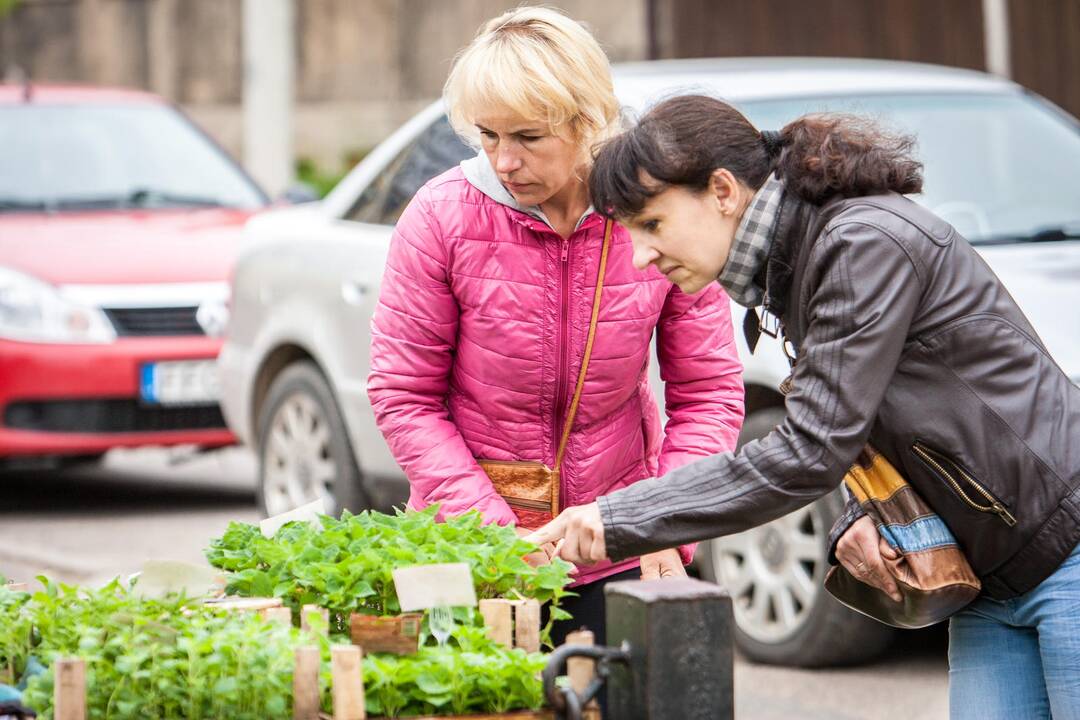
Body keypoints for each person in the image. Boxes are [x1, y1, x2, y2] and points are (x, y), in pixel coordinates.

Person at [526, 94, 1080, 719]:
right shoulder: (798, 261)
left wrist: (618, 516)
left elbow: (810, 450)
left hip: (1067, 552)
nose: (641, 257)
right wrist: (856, 517)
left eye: (651, 225)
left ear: (723, 191)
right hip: (990, 578)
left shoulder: (859, 243)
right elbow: (866, 423)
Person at [366, 9, 744, 649]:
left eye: (528, 137)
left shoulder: (652, 215)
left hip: (620, 548)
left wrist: (660, 522)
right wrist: (493, 535)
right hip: (477, 554)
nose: (504, 160)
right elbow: (404, 396)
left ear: (587, 121)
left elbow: (709, 391)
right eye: (487, 135)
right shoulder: (440, 218)